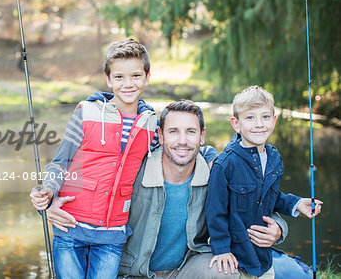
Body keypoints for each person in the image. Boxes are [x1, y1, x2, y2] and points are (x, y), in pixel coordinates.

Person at [34, 100, 289, 278]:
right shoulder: (135, 168)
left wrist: (279, 227)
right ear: (161, 135)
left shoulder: (215, 170)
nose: (182, 141)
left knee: (227, 272)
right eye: (174, 131)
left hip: (184, 270)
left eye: (191, 132)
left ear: (202, 136)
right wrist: (50, 202)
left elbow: (257, 197)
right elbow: (85, 181)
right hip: (132, 273)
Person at [31, 38, 158, 278]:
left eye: (136, 76)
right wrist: (48, 191)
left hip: (112, 235)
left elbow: (177, 149)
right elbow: (60, 162)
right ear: (108, 79)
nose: (128, 84)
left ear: (147, 77)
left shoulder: (151, 124)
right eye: (119, 77)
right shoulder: (86, 112)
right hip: (70, 226)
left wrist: (212, 156)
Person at [205, 85, 323, 278]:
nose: (259, 124)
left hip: (262, 256)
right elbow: (215, 211)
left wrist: (297, 203)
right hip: (235, 255)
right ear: (236, 124)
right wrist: (221, 249)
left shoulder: (274, 158)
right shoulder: (225, 164)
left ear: (274, 121)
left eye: (265, 117)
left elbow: (270, 196)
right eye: (250, 118)